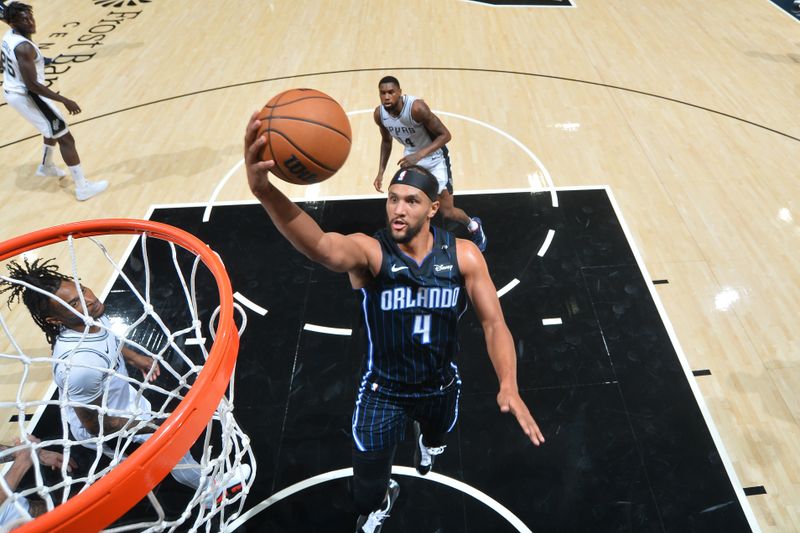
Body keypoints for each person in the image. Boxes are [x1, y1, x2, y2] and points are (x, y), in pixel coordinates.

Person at [245, 113, 544, 533]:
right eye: (393, 199)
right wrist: (265, 193)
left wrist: (509, 383)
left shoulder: (463, 255)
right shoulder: (372, 253)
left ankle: (428, 442)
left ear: (434, 208)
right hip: (383, 391)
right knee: (366, 485)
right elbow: (321, 247)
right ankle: (382, 499)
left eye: (411, 201)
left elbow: (495, 324)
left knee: (437, 438)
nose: (398, 210)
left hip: (440, 385)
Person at [0, 258, 250, 510]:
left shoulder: (90, 316)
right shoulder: (80, 366)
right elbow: (98, 426)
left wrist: (133, 357)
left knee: (169, 447)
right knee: (174, 452)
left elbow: (107, 337)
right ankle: (210, 491)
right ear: (55, 320)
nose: (88, 299)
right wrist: (151, 425)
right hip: (108, 426)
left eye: (81, 289)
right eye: (74, 303)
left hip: (116, 403)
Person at [1, 2, 107, 201]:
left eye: (30, 17)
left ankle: (46, 166)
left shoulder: (8, 38)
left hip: (15, 91)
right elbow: (33, 86)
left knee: (52, 125)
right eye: (24, 19)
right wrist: (65, 100)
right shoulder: (24, 47)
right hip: (28, 95)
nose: (30, 22)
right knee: (66, 137)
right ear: (12, 22)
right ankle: (82, 187)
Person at [373, 76, 488, 252]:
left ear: (399, 93)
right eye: (383, 93)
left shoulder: (416, 109)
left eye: (391, 92)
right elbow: (386, 142)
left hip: (435, 158)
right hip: (412, 159)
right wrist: (380, 172)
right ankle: (411, 238)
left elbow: (445, 135)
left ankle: (473, 225)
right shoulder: (380, 114)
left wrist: (419, 155)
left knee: (447, 212)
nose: (387, 97)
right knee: (409, 199)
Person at [0, 435, 76, 526]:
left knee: (65, 518)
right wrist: (23, 460)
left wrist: (25, 452)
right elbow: (24, 458)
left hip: (9, 505)